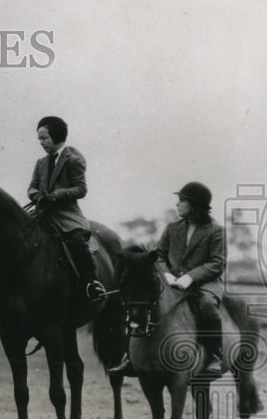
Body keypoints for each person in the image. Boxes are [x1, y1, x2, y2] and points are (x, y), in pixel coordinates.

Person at [111, 182, 225, 375]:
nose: (177, 204)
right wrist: (167, 273)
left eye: (182, 201)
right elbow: (159, 255)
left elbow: (217, 263)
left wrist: (190, 277)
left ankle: (215, 356)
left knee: (207, 305)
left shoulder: (216, 231)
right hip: (170, 281)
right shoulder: (172, 228)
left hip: (205, 283)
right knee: (141, 300)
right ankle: (130, 357)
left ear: (195, 205)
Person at [27, 116, 106, 302]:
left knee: (77, 241)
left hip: (67, 215)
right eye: (39, 138)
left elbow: (81, 188)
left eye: (44, 138)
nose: (41, 142)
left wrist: (57, 195)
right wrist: (37, 196)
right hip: (43, 212)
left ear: (57, 136)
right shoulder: (40, 163)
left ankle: (91, 283)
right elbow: (31, 187)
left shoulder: (73, 160)